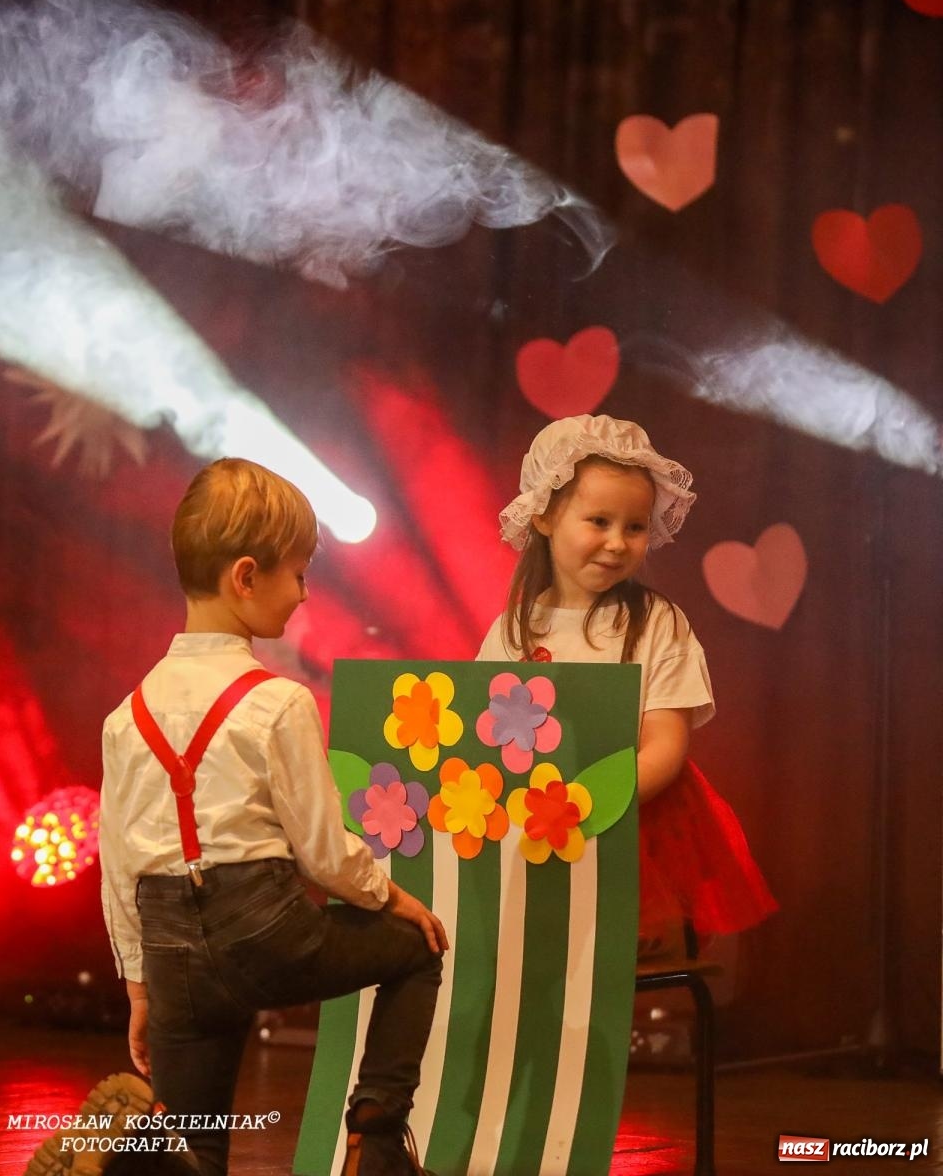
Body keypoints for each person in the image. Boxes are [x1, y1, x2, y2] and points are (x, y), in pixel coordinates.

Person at [91, 457, 445, 1176]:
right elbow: (322, 853)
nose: (306, 593)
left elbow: (119, 865)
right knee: (417, 950)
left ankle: (158, 1161)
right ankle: (376, 1143)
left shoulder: (125, 717)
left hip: (172, 958)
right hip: (267, 938)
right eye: (299, 574)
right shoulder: (276, 702)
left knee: (197, 1146)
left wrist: (139, 985)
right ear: (246, 577)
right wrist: (392, 898)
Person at [477, 414, 777, 946]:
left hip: (632, 821)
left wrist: (587, 803)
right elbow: (482, 739)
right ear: (544, 516)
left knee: (607, 962)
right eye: (599, 521)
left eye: (634, 527)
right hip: (531, 827)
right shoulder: (513, 629)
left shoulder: (656, 621)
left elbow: (666, 744)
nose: (617, 542)